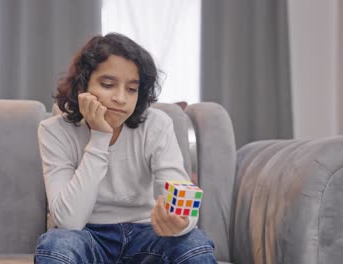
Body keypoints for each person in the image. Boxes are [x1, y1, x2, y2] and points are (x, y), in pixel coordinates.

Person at [35, 33, 216, 263]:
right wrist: (100, 137)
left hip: (148, 234)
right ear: (83, 84)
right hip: (87, 236)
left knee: (194, 242)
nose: (121, 98)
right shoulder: (53, 131)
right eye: (108, 84)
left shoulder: (156, 124)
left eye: (132, 89)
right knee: (57, 243)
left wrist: (179, 223)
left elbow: (178, 194)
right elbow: (69, 222)